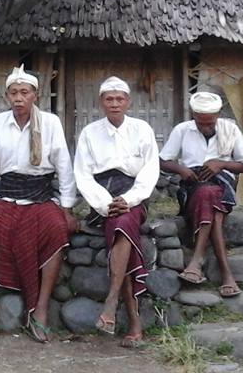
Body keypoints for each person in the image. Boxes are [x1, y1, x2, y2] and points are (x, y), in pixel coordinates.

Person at [0, 66, 77, 343]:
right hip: (7, 195)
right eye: (13, 93)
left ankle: (40, 309)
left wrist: (66, 206)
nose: (18, 98)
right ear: (6, 96)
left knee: (55, 229)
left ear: (34, 96)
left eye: (24, 92)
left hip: (40, 196)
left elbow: (64, 166)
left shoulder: (50, 123)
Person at [74, 76, 159, 349]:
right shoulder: (89, 133)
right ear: (101, 102)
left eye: (119, 99)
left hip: (133, 198)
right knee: (122, 228)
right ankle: (133, 323)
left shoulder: (142, 129)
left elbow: (149, 172)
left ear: (128, 102)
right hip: (102, 199)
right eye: (109, 99)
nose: (114, 104)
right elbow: (83, 176)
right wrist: (104, 203)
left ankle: (111, 301)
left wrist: (129, 199)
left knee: (123, 223)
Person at [159, 91, 243, 298]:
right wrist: (182, 169)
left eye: (210, 123)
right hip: (192, 186)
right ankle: (227, 275)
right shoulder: (182, 130)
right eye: (201, 123)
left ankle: (197, 259)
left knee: (209, 193)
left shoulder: (230, 129)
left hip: (222, 186)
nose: (206, 128)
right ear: (193, 116)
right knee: (212, 207)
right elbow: (163, 161)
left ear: (218, 115)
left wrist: (221, 164)